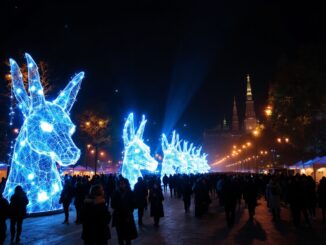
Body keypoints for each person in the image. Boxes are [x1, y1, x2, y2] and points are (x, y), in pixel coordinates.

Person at [111, 178, 138, 245]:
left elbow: (134, 205)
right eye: (120, 183)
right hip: (118, 216)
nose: (122, 185)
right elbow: (112, 204)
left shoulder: (130, 193)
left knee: (128, 235)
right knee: (120, 235)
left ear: (126, 184)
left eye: (123, 183)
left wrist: (131, 205)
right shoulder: (116, 193)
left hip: (127, 216)